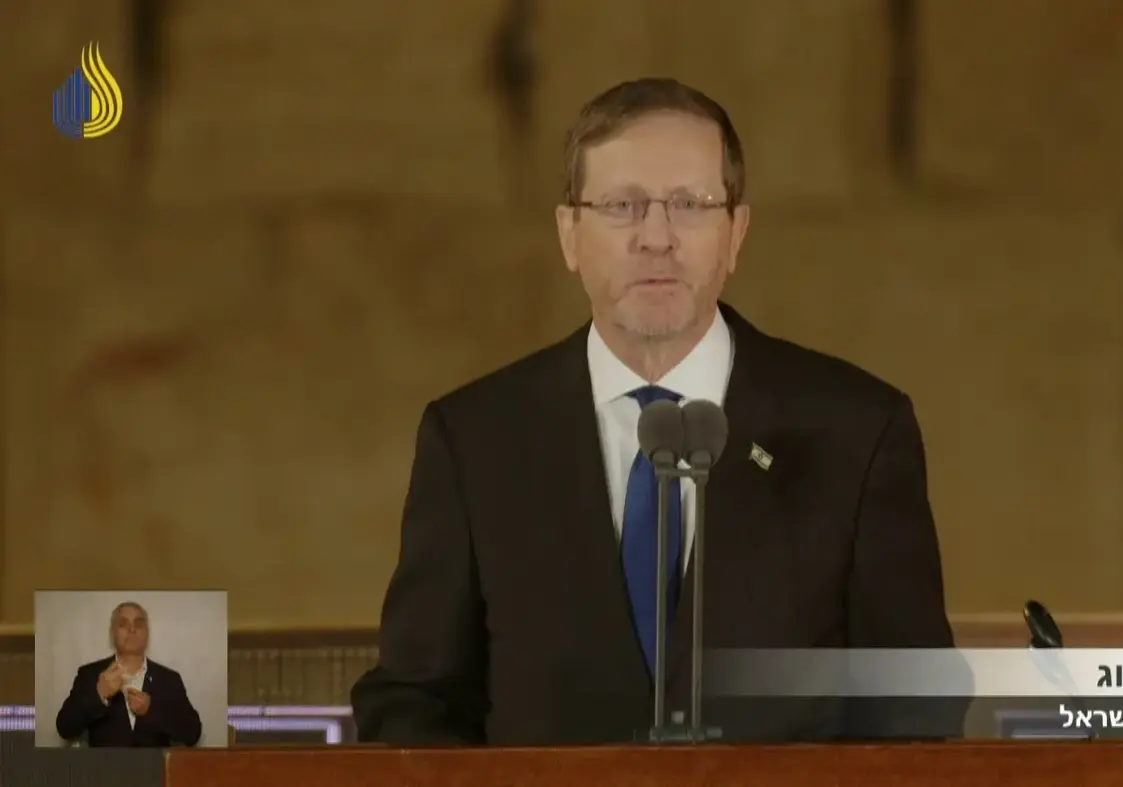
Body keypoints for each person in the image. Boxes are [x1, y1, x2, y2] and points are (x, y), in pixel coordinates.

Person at [351, 77, 961, 745]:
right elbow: (415, 705)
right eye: (622, 205)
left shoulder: (858, 431)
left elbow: (913, 710)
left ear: (736, 233)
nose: (657, 237)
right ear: (569, 234)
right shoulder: (474, 440)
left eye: (690, 204)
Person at [54, 602, 203, 747]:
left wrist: (151, 711)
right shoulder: (90, 674)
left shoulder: (169, 679)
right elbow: (65, 728)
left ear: (147, 633)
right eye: (123, 624)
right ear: (112, 633)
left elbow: (193, 734)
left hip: (153, 770)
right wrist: (99, 694)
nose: (132, 629)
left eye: (138, 624)